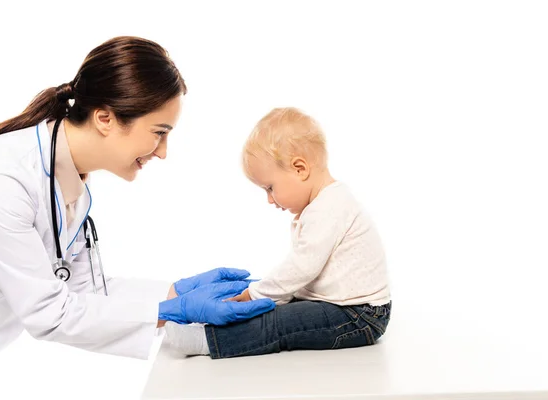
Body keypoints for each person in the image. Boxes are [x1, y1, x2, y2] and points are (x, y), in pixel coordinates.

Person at [0, 36, 276, 389]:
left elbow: (84, 291)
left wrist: (175, 293)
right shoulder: (0, 180)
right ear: (104, 118)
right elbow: (49, 314)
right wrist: (172, 311)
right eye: (159, 133)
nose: (162, 152)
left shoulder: (70, 183)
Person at [162, 107, 392, 358]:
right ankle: (213, 321)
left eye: (270, 188)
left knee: (280, 323)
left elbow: (301, 268)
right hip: (342, 304)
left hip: (360, 316)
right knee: (271, 298)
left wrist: (255, 294)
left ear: (300, 169)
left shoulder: (330, 208)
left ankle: (209, 340)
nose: (270, 200)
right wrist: (259, 292)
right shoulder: (326, 203)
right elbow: (300, 275)